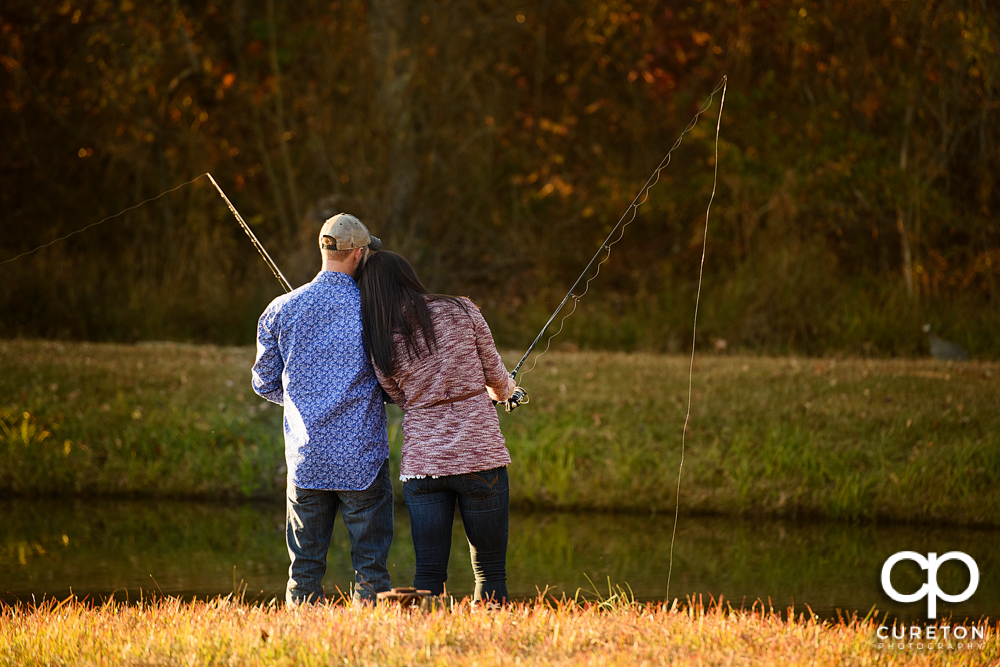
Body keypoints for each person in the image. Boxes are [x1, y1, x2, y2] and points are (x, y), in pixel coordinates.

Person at [357, 251, 518, 605]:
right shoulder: (462, 309)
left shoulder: (379, 337)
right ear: (409, 276)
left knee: (428, 572)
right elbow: (496, 378)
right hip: (480, 457)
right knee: (490, 571)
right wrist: (508, 391)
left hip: (424, 466)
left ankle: (427, 644)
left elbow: (398, 396)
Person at [252, 213, 392, 606]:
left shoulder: (280, 308)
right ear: (360, 254)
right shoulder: (375, 310)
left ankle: (302, 641)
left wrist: (304, 402)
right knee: (371, 567)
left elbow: (264, 381)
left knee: (304, 569)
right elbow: (391, 383)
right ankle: (373, 641)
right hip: (361, 458)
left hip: (306, 459)